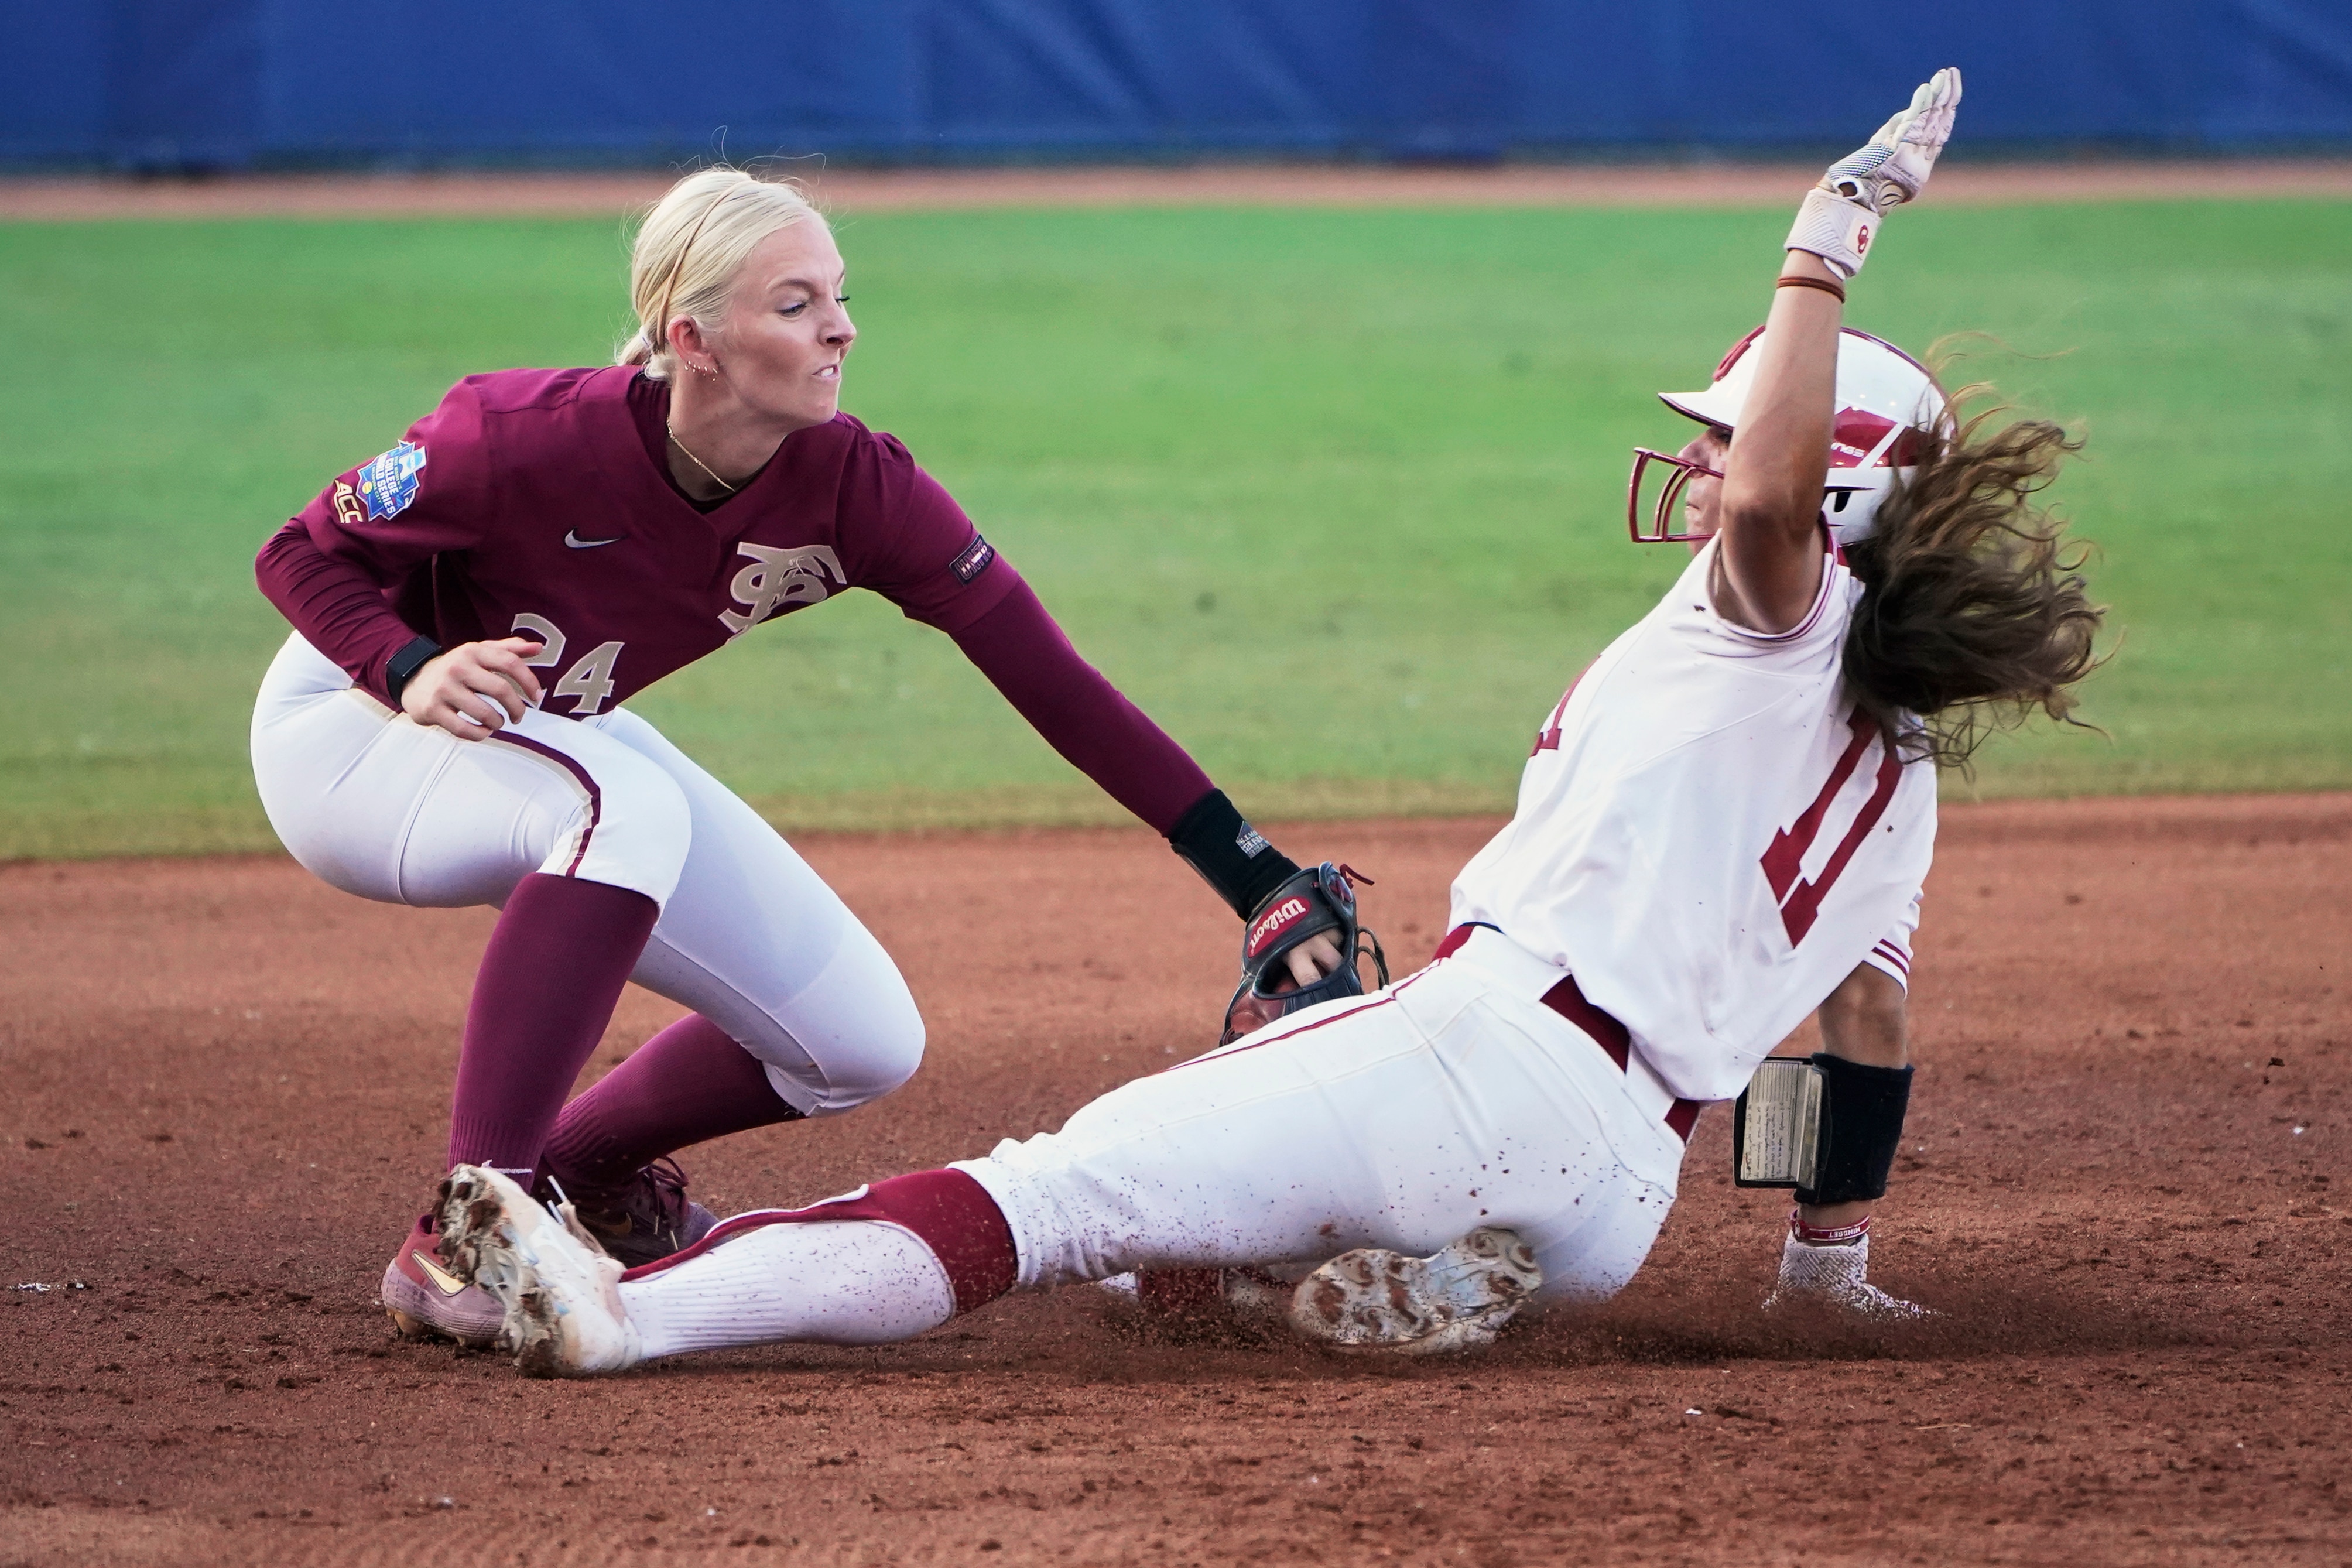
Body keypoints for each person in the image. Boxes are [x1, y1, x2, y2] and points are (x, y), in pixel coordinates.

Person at [424, 69, 2103, 1376]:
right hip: (1621, 1194)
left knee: (1047, 1193)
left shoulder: (1775, 614)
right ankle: (1339, 1269)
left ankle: (628, 1315)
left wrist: (1823, 242)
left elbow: (1770, 508)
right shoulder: (1897, 768)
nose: (1706, 460)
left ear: (1830, 489)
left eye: (1734, 436)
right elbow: (1862, 1023)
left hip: (1481, 1056)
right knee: (1189, 1239)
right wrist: (1822, 1260)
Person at [249, 167, 1342, 1348]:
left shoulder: (855, 485)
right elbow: (297, 554)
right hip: (355, 733)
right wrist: (408, 663)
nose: (840, 327)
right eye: (795, 302)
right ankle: (466, 1232)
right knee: (627, 808)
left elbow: (1051, 681)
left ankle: (579, 1170)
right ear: (694, 340)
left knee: (857, 1039)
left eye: (839, 294)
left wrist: (1254, 874)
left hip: (549, 732)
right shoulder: (517, 437)